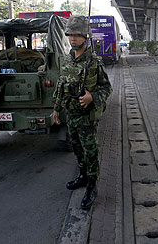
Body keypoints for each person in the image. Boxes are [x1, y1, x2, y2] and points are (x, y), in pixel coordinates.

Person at [52, 15, 112, 209]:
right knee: (77, 150)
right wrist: (57, 108)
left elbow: (106, 88)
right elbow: (61, 86)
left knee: (91, 151)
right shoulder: (67, 59)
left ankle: (92, 185)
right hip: (71, 115)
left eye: (77, 35)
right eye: (70, 34)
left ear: (86, 36)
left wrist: (92, 97)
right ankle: (83, 176)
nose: (72, 39)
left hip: (86, 117)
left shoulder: (94, 62)